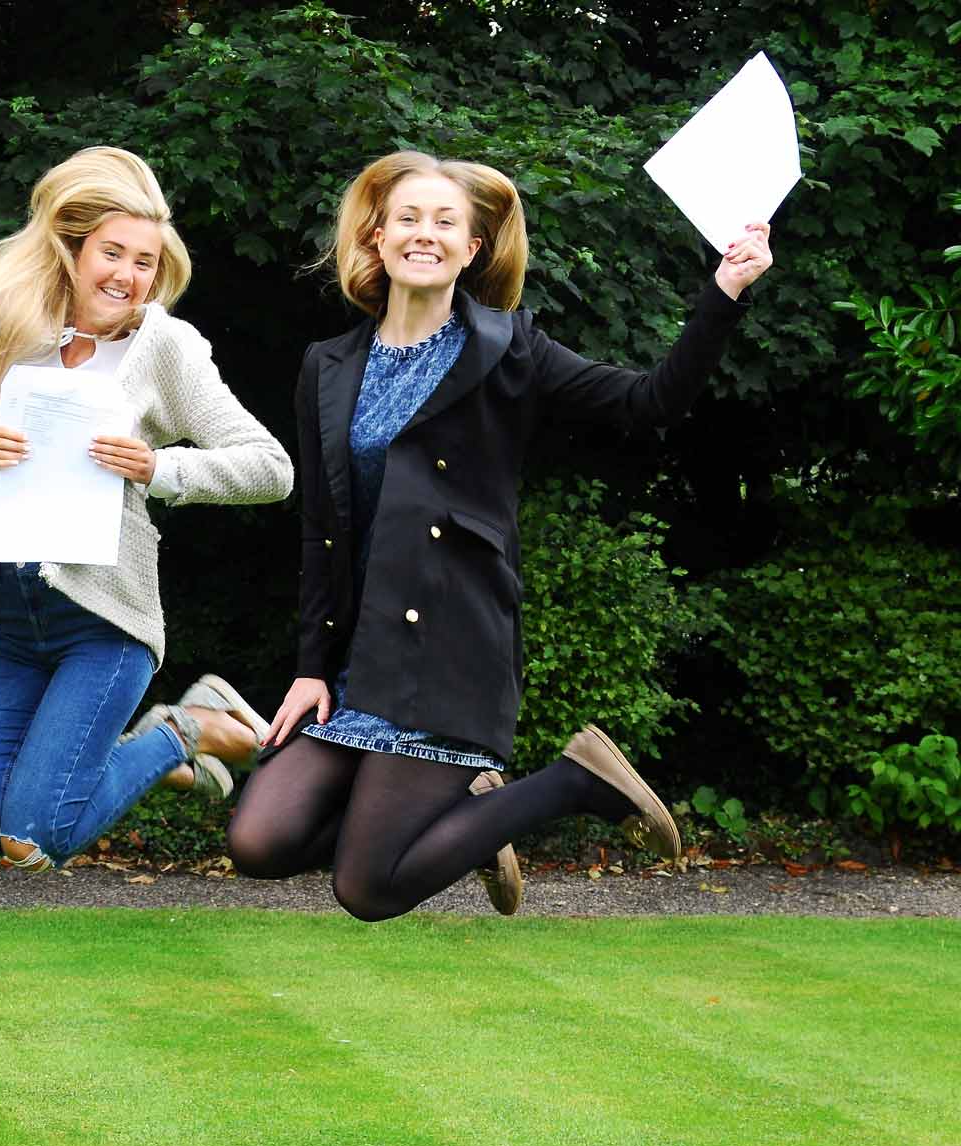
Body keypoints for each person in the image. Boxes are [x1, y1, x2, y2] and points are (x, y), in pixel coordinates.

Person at [226, 149, 773, 920]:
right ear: (377, 238)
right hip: (359, 656)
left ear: (472, 248)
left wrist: (725, 291)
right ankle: (467, 824)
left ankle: (573, 782)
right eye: (408, 218)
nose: (426, 233)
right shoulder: (328, 364)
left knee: (369, 888)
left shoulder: (510, 348)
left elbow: (650, 403)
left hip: (451, 648)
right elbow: (324, 529)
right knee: (260, 842)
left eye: (446, 222)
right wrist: (312, 668)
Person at [0, 146, 293, 872]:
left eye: (145, 263)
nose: (129, 277)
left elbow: (271, 468)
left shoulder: (166, 348)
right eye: (113, 253)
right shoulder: (1, 339)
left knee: (34, 842)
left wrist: (161, 466)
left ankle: (186, 728)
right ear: (70, 250)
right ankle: (157, 744)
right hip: (16, 617)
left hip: (105, 621)